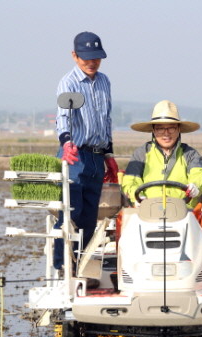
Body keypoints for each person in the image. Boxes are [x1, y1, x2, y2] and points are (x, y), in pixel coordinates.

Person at [54, 31, 118, 271]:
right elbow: (63, 117)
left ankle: (80, 266)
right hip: (75, 155)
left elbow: (106, 118)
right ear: (74, 55)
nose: (91, 63)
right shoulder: (68, 83)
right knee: (71, 213)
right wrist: (66, 142)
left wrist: (109, 155)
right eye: (86, 58)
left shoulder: (104, 81)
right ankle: (62, 268)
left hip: (96, 156)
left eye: (96, 58)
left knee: (90, 217)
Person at [121, 100, 202, 209]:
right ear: (153, 130)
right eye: (160, 128)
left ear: (179, 129)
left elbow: (199, 176)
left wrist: (195, 186)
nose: (166, 133)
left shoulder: (190, 154)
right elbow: (130, 181)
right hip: (147, 211)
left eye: (171, 128)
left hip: (183, 212)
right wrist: (138, 197)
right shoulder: (141, 153)